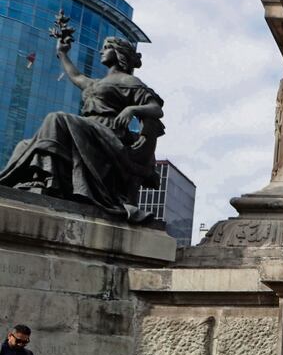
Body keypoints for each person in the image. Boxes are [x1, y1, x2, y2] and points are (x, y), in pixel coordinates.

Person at [0, 32, 163, 221]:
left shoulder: (130, 82)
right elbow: (76, 76)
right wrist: (62, 53)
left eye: (107, 47)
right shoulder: (96, 83)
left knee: (57, 118)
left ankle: (50, 181)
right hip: (85, 130)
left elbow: (156, 109)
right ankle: (43, 180)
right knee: (24, 145)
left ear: (119, 53)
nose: (102, 51)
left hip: (107, 134)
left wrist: (132, 109)